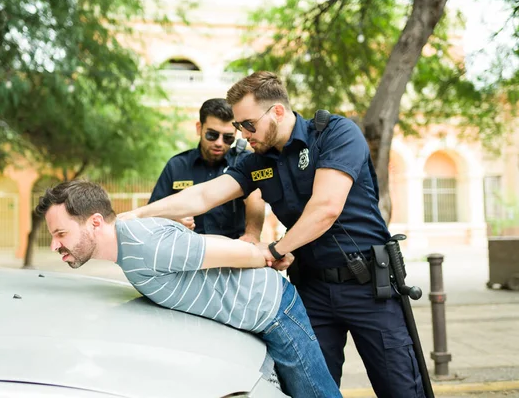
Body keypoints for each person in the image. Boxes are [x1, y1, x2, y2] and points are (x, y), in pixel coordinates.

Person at [119, 71, 425, 397]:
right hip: (312, 289)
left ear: (277, 112)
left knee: (401, 389)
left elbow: (326, 208)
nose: (242, 134)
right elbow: (203, 195)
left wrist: (275, 249)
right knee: (310, 391)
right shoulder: (258, 161)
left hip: (367, 287)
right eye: (239, 126)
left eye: (248, 124)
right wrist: (133, 215)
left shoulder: (335, 133)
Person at [36, 180, 342, 398]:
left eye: (61, 233)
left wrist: (269, 253)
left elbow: (232, 252)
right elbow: (205, 248)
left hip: (274, 313)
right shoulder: (128, 245)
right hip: (249, 325)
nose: (54, 244)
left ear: (95, 222)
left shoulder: (145, 245)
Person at [149, 98, 265, 242]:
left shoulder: (244, 162)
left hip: (232, 251)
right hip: (187, 251)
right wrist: (172, 219)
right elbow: (152, 213)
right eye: (212, 135)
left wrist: (252, 235)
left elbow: (256, 197)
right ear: (199, 128)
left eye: (228, 138)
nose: (219, 143)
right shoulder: (177, 165)